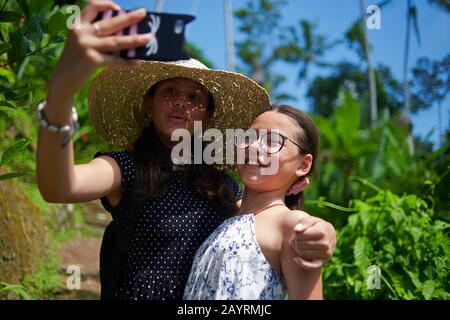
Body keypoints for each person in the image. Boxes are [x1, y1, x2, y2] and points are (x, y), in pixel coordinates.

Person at [37, 0, 336, 300]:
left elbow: (268, 216)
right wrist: (60, 95)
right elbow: (60, 186)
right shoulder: (126, 168)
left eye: (194, 97)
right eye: (170, 92)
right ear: (148, 104)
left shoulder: (220, 187)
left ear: (207, 117)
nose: (181, 102)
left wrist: (320, 230)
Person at [184, 106, 324, 300]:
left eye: (273, 141)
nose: (254, 146)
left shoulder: (293, 226)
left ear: (303, 165)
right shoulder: (226, 215)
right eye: (248, 137)